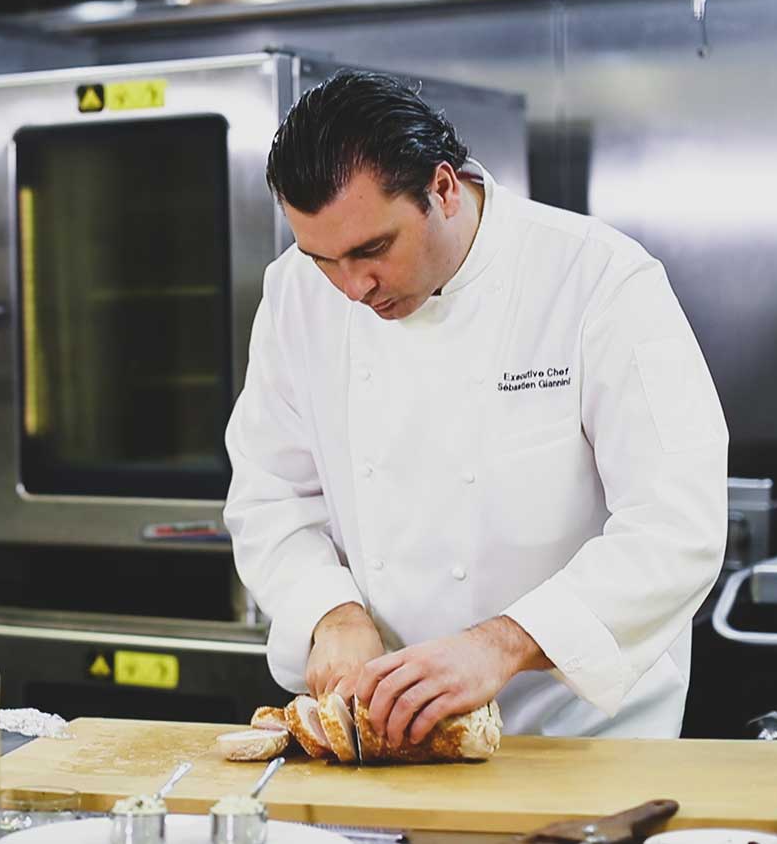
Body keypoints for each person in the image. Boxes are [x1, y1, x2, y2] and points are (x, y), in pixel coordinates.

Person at [224, 71, 728, 743]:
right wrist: (332, 614)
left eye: (373, 250)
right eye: (323, 259)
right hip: (384, 740)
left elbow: (677, 524)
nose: (352, 287)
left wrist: (500, 644)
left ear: (442, 188)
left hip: (579, 740)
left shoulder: (599, 279)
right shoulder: (294, 293)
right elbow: (270, 496)